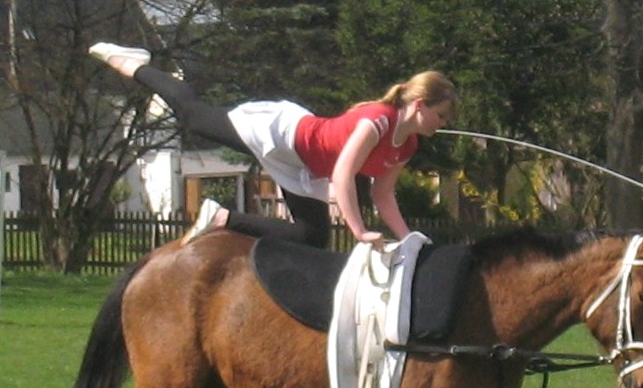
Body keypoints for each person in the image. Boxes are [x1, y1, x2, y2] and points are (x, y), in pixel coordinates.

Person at [88, 42, 455, 248]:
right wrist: (359, 232)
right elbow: (344, 176)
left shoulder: (406, 146)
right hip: (281, 136)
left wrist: (408, 237)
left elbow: (382, 194)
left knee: (312, 238)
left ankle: (221, 218)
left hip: (304, 168)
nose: (443, 124)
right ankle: (134, 65)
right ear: (419, 105)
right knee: (195, 117)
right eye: (440, 115)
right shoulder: (376, 120)